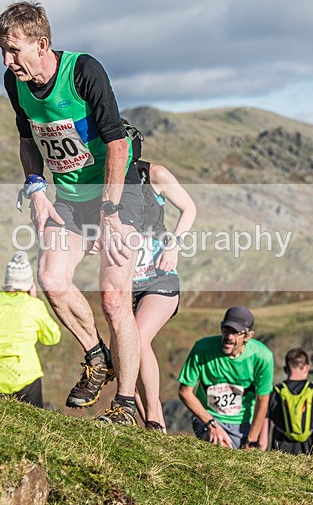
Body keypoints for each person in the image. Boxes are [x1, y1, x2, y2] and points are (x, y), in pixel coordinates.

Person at [0, 1, 144, 425]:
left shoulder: (83, 71)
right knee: (51, 280)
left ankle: (126, 405)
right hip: (72, 197)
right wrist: (37, 187)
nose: (7, 61)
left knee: (115, 300)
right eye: (3, 52)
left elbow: (116, 142)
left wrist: (111, 212)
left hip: (119, 192)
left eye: (13, 50)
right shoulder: (15, 81)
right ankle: (97, 356)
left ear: (42, 44)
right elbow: (27, 138)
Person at [131, 160, 197, 432]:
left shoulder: (152, 174)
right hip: (125, 282)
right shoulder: (99, 178)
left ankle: (155, 413)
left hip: (160, 276)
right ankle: (151, 428)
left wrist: (175, 245)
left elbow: (189, 208)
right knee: (125, 356)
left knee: (137, 337)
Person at [178, 306, 274, 449]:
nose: (229, 337)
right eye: (226, 330)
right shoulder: (202, 349)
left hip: (242, 424)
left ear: (248, 336)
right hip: (207, 418)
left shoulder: (262, 357)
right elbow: (184, 392)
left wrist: (251, 440)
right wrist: (211, 424)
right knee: (219, 447)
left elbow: (263, 402)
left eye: (235, 333)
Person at [0, 251, 61, 408]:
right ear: (29, 284)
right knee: (33, 423)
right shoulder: (34, 305)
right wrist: (35, 300)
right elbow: (52, 337)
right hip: (24, 378)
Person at [262, 348, 313, 455]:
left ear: (285, 369)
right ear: (306, 368)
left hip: (279, 456)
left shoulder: (273, 393)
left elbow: (263, 439)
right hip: (312, 455)